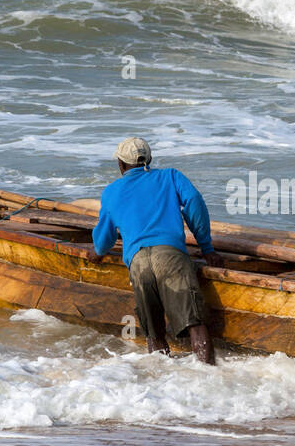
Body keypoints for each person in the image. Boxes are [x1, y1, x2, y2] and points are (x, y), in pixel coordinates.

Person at [89, 137, 225, 364]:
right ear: (149, 160)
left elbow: (104, 239)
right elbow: (194, 202)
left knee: (154, 332)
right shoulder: (170, 176)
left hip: (138, 263)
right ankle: (208, 377)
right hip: (171, 257)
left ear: (121, 165)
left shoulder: (111, 192)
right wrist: (206, 247)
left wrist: (98, 252)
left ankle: (160, 380)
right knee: (195, 324)